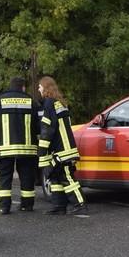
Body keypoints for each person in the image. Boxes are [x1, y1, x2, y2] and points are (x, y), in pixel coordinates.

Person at [0, 77, 40, 214]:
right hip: (28, 149)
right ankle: (27, 205)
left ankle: (4, 207)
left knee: (4, 176)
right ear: (23, 88)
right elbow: (40, 127)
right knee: (27, 177)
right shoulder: (32, 103)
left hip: (4, 149)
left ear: (10, 87)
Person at [37, 75, 87, 215]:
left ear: (46, 87)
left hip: (61, 149)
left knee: (66, 177)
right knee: (55, 176)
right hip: (65, 148)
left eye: (40, 86)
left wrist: (42, 150)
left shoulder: (49, 104)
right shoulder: (60, 103)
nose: (38, 89)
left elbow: (47, 129)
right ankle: (59, 205)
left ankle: (80, 204)